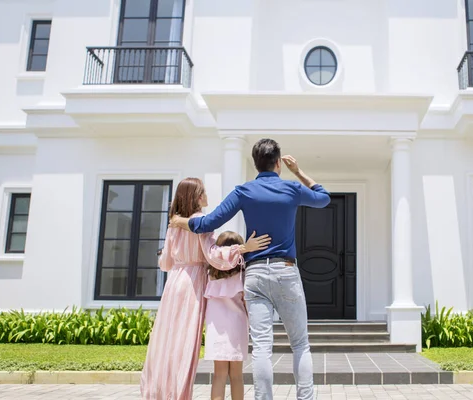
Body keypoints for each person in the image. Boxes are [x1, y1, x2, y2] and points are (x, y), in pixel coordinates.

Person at [170, 139, 331, 400]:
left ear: (256, 164)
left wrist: (180, 220)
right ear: (278, 163)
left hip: (255, 275)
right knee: (300, 344)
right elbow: (323, 198)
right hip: (286, 271)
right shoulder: (291, 188)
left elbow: (207, 223)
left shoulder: (244, 191)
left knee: (262, 349)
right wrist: (299, 172)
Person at [140, 177, 271, 400]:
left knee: (169, 342)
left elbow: (166, 263)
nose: (206, 195)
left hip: (174, 283)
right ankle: (178, 394)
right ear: (197, 196)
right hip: (193, 282)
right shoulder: (200, 221)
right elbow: (213, 256)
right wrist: (242, 248)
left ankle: (162, 392)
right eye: (203, 192)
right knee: (186, 344)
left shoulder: (174, 224)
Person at [204, 231, 249, 400]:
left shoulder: (209, 275)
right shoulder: (243, 275)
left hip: (216, 327)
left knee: (219, 375)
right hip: (237, 326)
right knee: (237, 375)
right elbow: (246, 302)